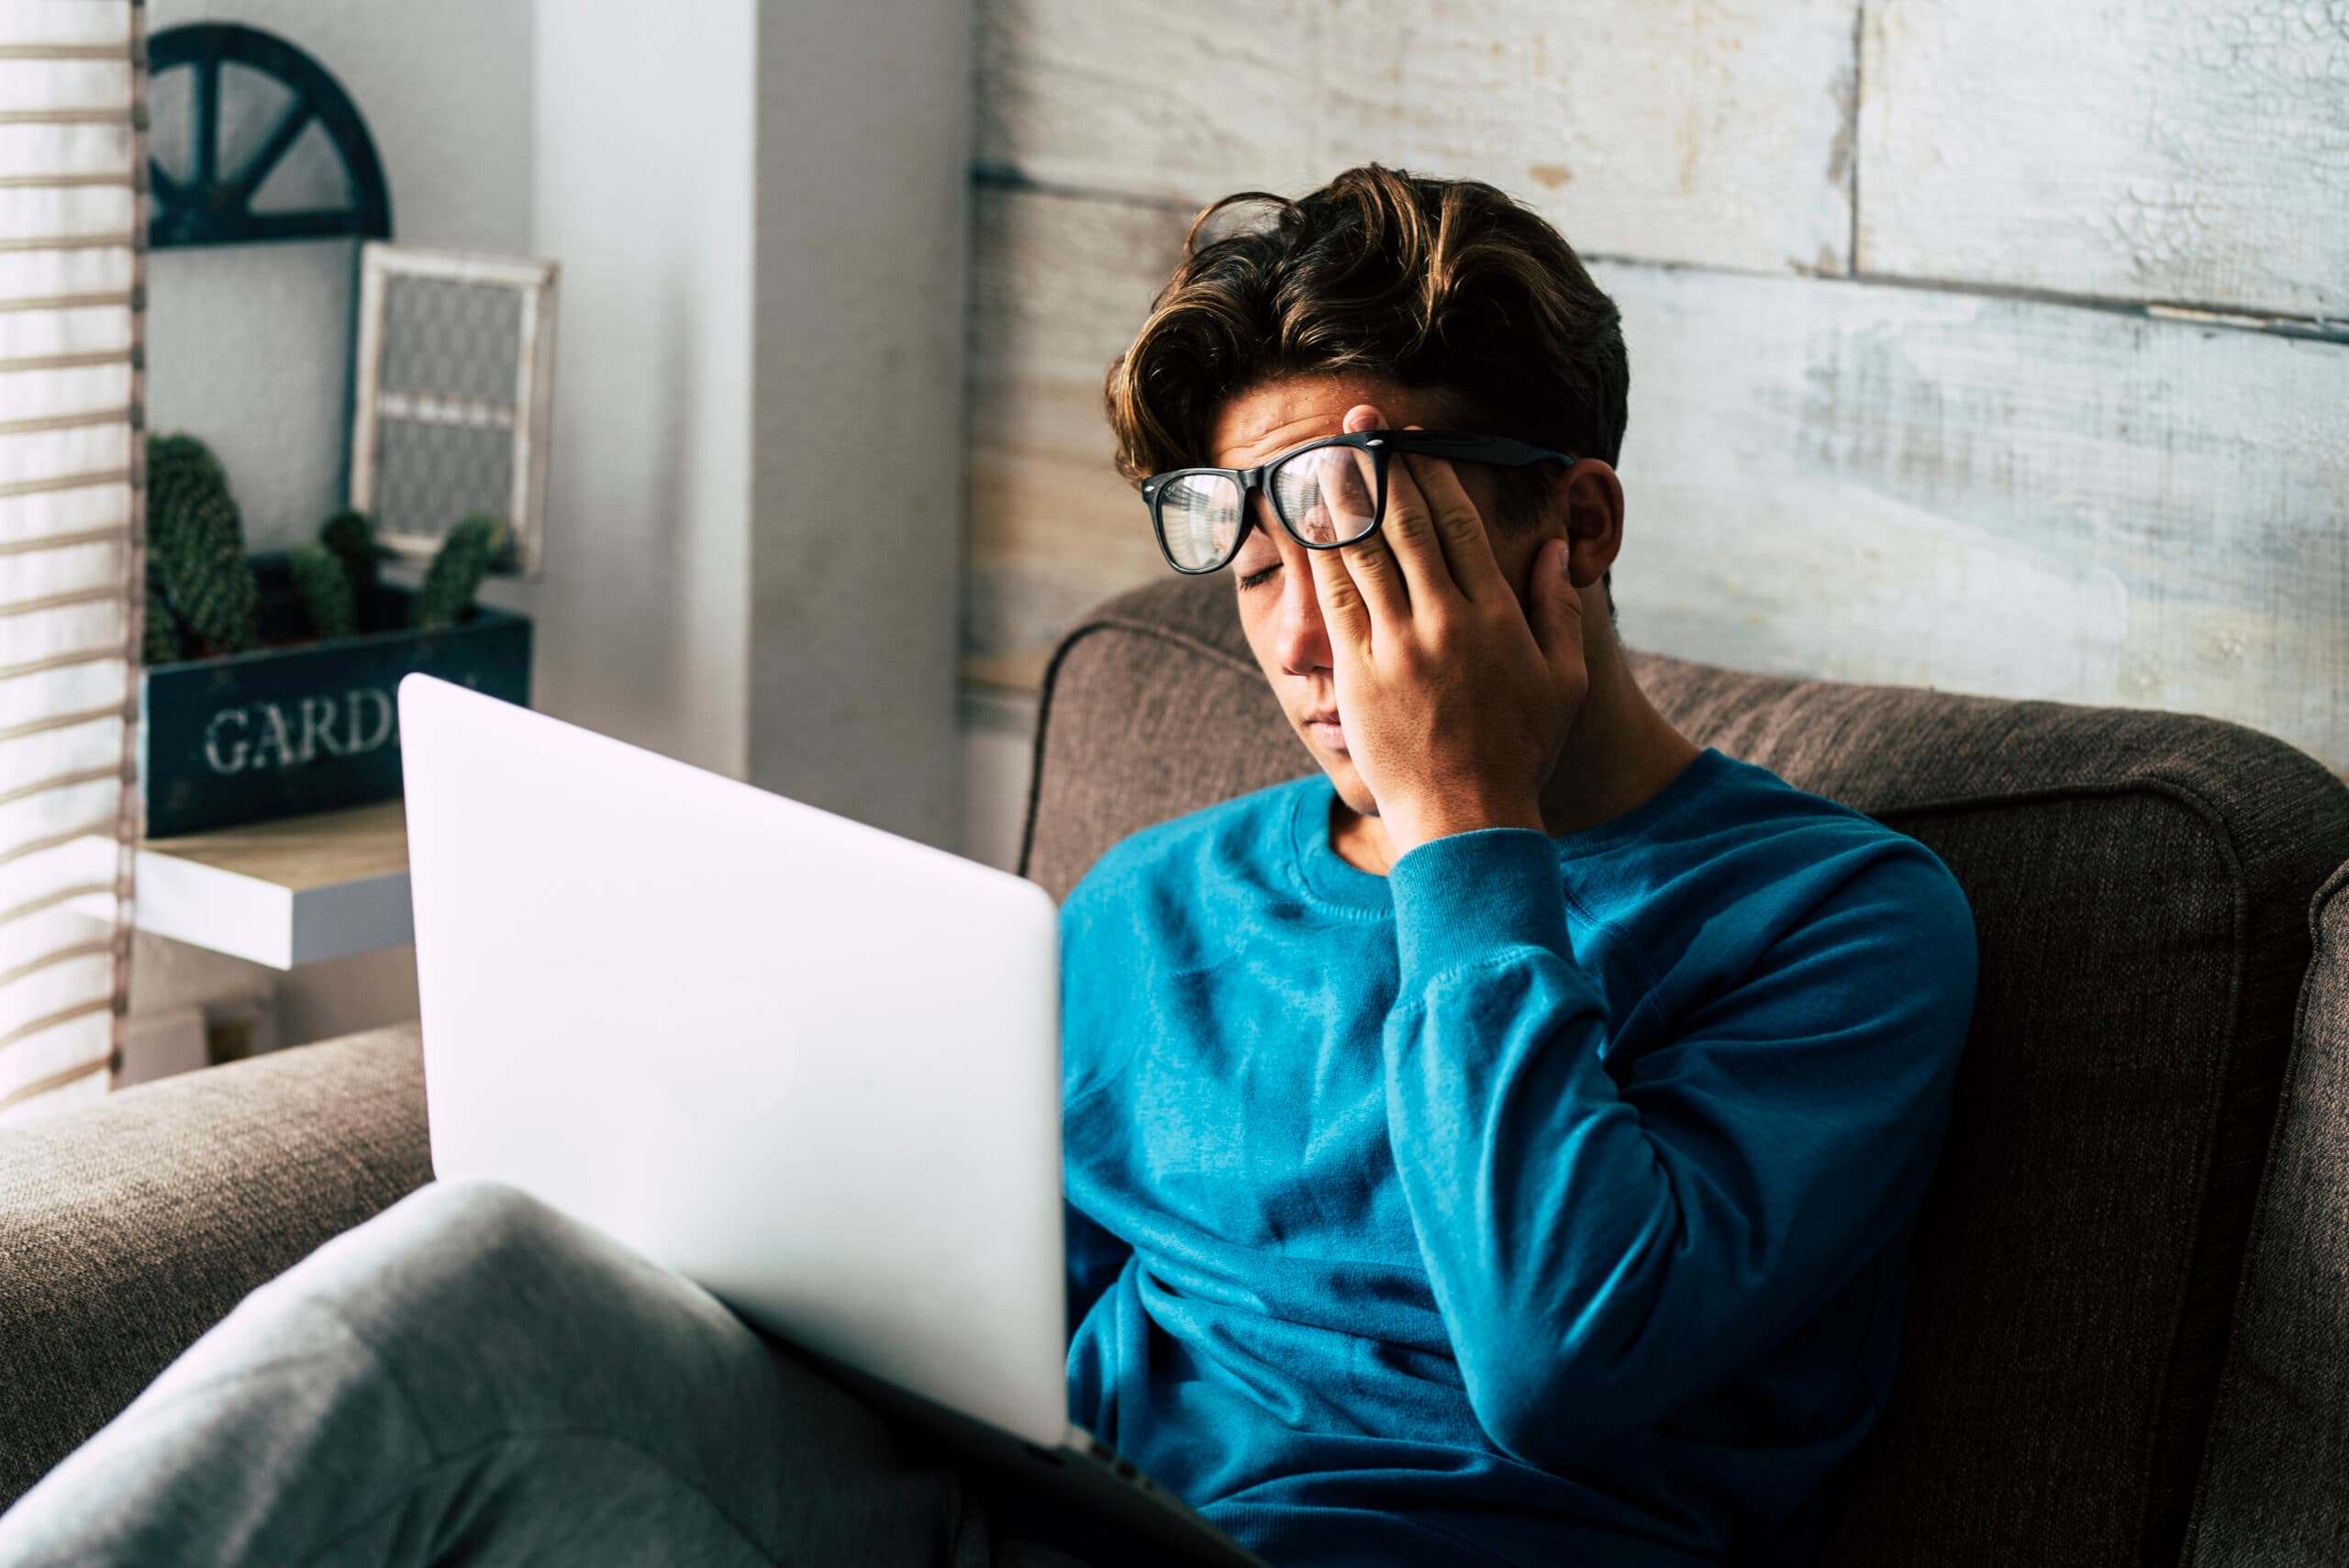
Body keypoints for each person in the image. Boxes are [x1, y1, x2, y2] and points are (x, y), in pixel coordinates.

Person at [0, 165, 1976, 1568]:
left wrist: (1466, 827)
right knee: (481, 1282)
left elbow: (1563, 1358)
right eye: (1252, 550)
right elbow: (964, 1332)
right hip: (1005, 1524)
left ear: (1575, 525)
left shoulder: (1837, 924)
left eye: (1356, 528)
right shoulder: (1157, 907)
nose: (1294, 634)